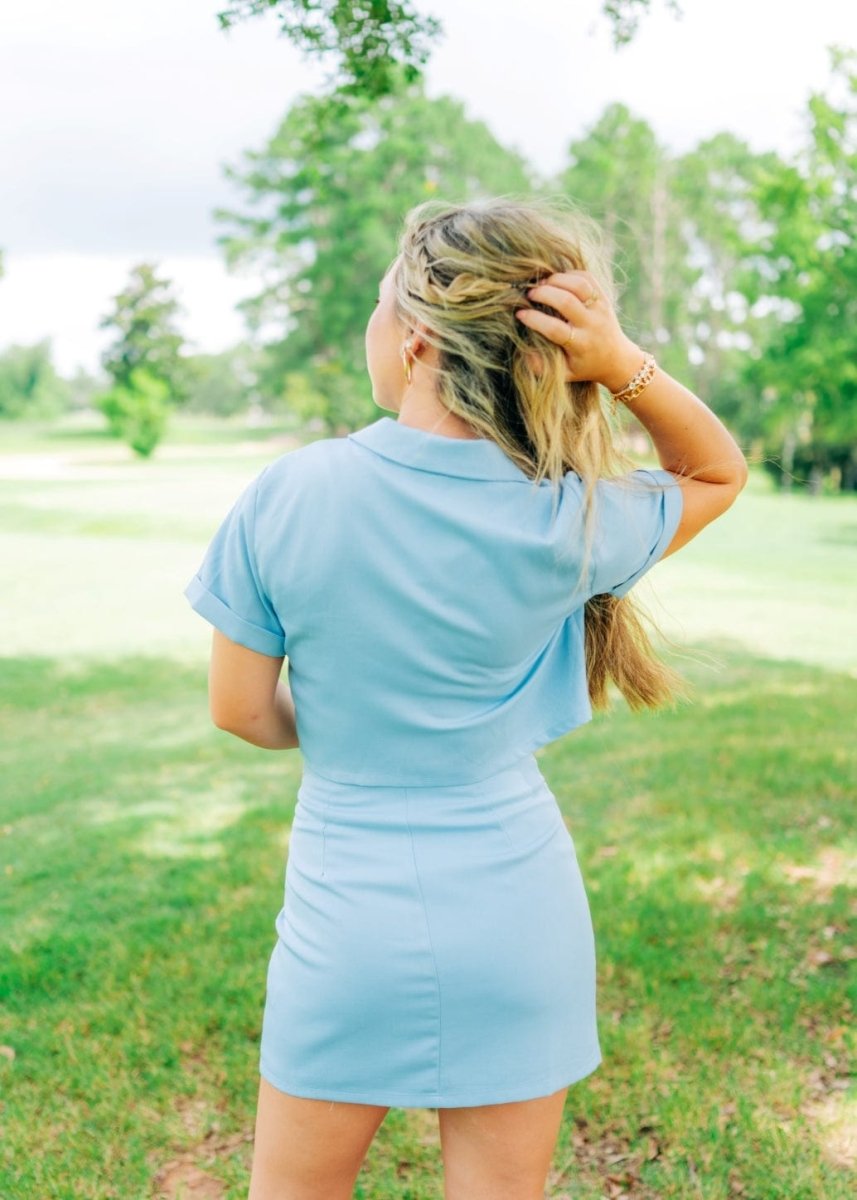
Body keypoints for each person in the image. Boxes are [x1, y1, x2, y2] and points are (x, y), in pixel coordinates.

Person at [183, 195, 748, 1200]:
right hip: (517, 917)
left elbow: (240, 711)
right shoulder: (566, 516)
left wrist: (348, 730)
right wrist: (619, 363)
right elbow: (714, 471)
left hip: (344, 921)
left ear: (413, 338)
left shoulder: (289, 492)